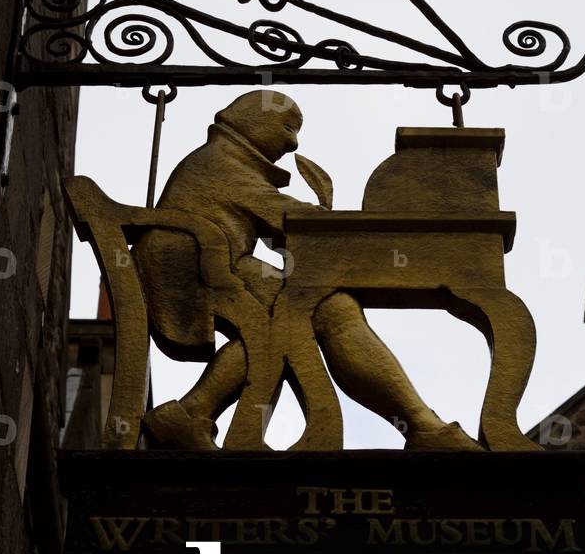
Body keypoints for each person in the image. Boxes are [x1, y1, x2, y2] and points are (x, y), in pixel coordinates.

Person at [138, 90, 480, 451]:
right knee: (328, 310)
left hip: (209, 263)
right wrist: (323, 217)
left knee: (295, 316)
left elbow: (283, 229)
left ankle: (191, 412)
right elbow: (284, 215)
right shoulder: (223, 163)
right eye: (288, 128)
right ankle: (422, 426)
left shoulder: (228, 162)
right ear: (254, 120)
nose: (293, 143)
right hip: (193, 266)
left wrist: (316, 223)